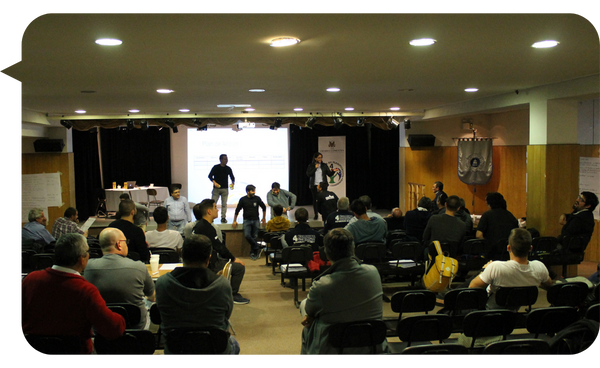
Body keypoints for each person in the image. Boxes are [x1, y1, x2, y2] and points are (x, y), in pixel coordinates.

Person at [19, 233, 126, 357]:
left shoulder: (31, 279)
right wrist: (121, 318)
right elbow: (112, 329)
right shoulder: (85, 290)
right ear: (82, 258)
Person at [299, 228, 387, 357]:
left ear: (326, 253)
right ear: (353, 249)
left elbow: (309, 310)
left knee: (305, 310)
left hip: (333, 349)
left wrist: (310, 314)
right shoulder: (373, 272)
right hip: (372, 345)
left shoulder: (321, 285)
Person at [155, 234, 239, 358]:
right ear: (208, 259)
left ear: (182, 255)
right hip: (215, 349)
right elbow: (226, 314)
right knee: (234, 344)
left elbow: (161, 314)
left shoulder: (163, 283)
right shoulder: (223, 285)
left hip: (176, 350)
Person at [84, 228, 156, 330]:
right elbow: (152, 296)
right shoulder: (139, 266)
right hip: (135, 326)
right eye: (125, 242)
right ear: (119, 244)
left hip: (101, 326)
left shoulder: (88, 267)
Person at [468, 228, 554, 309]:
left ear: (508, 247)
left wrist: (483, 270)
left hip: (491, 310)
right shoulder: (539, 267)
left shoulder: (495, 267)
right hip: (517, 308)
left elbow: (472, 288)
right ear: (530, 248)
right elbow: (549, 285)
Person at [193, 199, 249, 304]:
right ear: (209, 211)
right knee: (239, 267)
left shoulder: (199, 226)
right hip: (208, 265)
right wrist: (234, 259)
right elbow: (220, 247)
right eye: (215, 207)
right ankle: (233, 295)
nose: (217, 210)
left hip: (200, 262)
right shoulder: (207, 228)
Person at [476, 192, 518, 259]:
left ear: (490, 203)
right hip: (508, 252)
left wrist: (487, 244)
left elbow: (478, 235)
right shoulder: (510, 215)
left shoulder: (487, 215)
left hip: (492, 253)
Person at [232, 185, 267, 260]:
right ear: (248, 192)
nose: (254, 192)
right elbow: (237, 210)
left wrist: (264, 218)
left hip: (256, 220)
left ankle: (253, 252)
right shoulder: (243, 199)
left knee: (254, 237)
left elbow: (264, 207)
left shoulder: (257, 198)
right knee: (247, 235)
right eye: (252, 191)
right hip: (246, 220)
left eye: (254, 190)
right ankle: (257, 247)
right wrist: (234, 220)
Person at [306, 152, 339, 220]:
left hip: (323, 185)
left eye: (321, 157)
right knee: (315, 200)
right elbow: (308, 174)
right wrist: (315, 168)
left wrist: (333, 171)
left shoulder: (324, 165)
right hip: (314, 185)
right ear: (315, 158)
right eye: (319, 157)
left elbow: (329, 174)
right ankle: (316, 214)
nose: (320, 159)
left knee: (325, 198)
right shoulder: (311, 165)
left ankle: (326, 212)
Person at [208, 154, 235, 223]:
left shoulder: (228, 168)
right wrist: (214, 182)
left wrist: (232, 183)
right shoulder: (216, 167)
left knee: (224, 204)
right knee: (213, 203)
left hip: (225, 189)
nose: (226, 160)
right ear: (221, 160)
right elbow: (210, 176)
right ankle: (211, 217)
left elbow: (232, 177)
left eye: (227, 159)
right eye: (225, 159)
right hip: (216, 189)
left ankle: (223, 217)